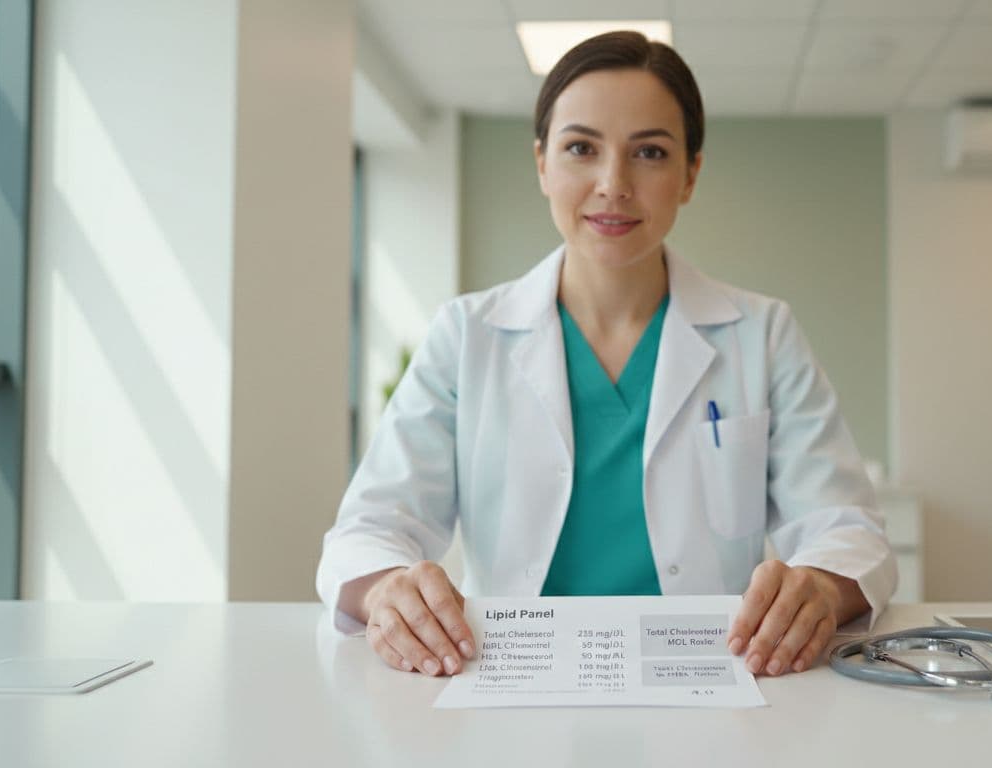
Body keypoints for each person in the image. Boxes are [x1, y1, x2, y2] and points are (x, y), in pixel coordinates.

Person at [317, 31, 896, 679]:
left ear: (690, 174)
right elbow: (369, 525)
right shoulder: (466, 334)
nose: (613, 184)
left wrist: (819, 583)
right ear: (542, 163)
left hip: (707, 675)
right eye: (580, 148)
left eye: (649, 152)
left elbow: (846, 526)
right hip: (516, 678)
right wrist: (384, 588)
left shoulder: (762, 333)